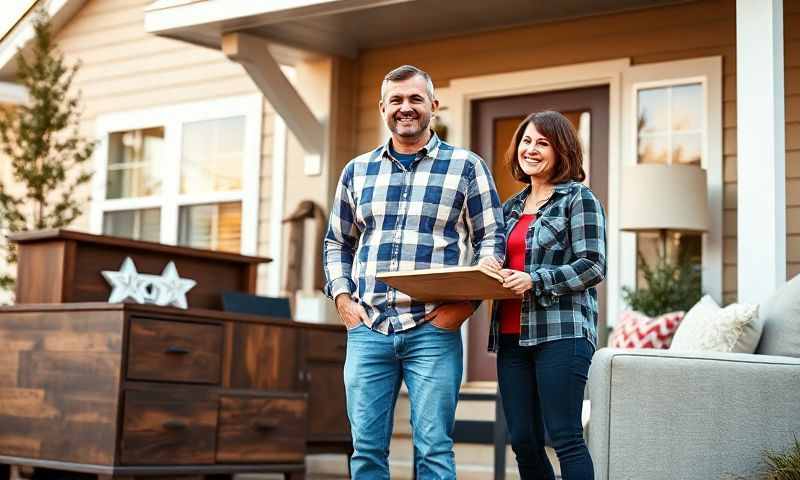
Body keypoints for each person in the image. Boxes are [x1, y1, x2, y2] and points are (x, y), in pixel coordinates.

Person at [323, 64, 505, 479]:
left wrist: (465, 304)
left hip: (433, 329)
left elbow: (492, 241)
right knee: (366, 451)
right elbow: (338, 242)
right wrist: (343, 300)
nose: (406, 108)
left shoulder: (466, 167)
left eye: (415, 99)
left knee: (434, 450)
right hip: (368, 327)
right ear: (383, 108)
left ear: (433, 106)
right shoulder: (356, 171)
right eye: (397, 100)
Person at [480, 111, 606, 480]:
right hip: (510, 337)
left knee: (564, 436)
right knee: (523, 440)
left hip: (561, 334)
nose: (530, 149)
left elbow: (594, 265)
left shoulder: (578, 199)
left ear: (561, 150)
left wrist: (536, 279)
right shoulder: (509, 208)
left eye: (542, 143)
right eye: (526, 141)